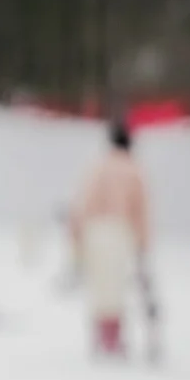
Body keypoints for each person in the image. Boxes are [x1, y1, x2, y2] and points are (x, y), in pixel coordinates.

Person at [70, 121, 151, 357]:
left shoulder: (98, 166)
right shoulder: (133, 168)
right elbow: (141, 209)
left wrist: (76, 233)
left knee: (99, 283)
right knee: (115, 285)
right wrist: (144, 242)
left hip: (93, 230)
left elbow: (83, 201)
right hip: (119, 229)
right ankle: (112, 337)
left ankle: (100, 334)